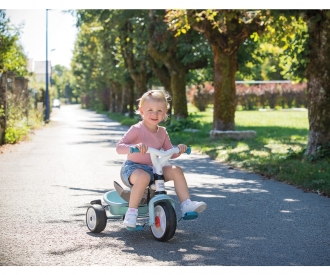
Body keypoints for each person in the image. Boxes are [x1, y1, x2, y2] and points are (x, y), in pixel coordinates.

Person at [116, 90, 207, 228]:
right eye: (150, 110)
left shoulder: (162, 132)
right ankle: (131, 213)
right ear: (141, 111)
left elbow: (170, 153)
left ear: (165, 112)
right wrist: (134, 147)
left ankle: (186, 204)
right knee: (143, 177)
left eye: (159, 110)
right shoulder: (136, 129)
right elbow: (119, 147)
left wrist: (179, 149)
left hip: (154, 168)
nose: (155, 114)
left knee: (176, 170)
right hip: (133, 168)